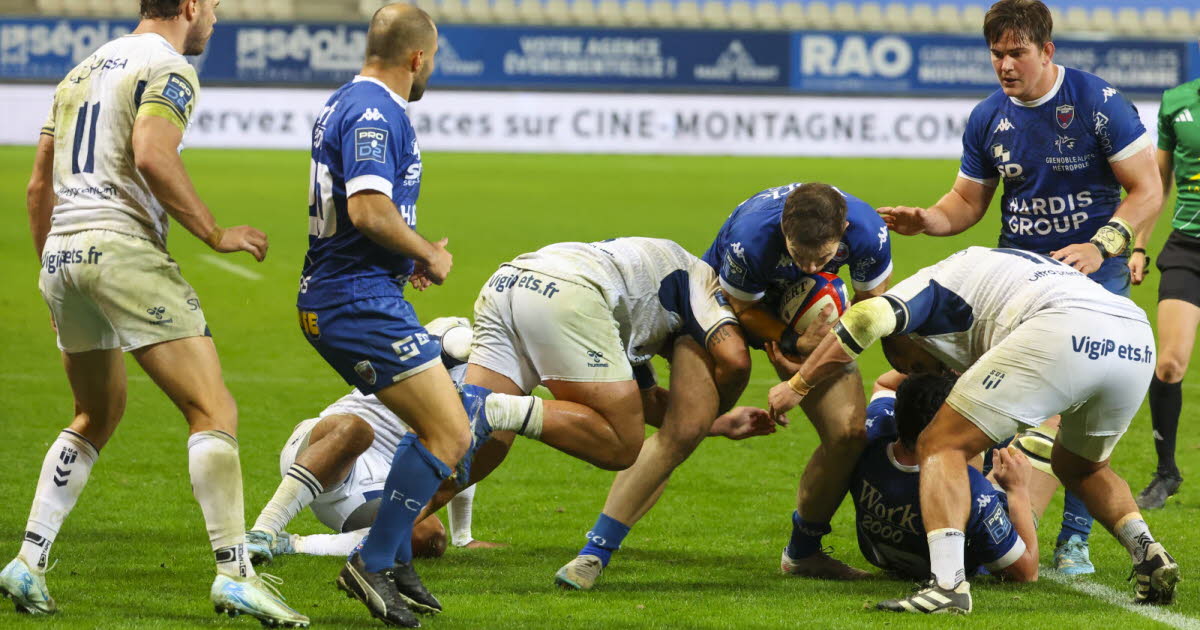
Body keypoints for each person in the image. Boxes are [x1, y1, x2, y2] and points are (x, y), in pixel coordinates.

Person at [0, 0, 308, 626]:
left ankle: (27, 561)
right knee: (212, 408)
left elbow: (39, 188)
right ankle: (235, 574)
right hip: (121, 249)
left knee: (97, 411)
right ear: (189, 5)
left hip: (63, 252)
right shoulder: (167, 67)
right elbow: (151, 152)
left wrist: (51, 268)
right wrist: (215, 232)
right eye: (215, 7)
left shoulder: (79, 72)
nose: (215, 21)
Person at [877, 0, 1162, 575]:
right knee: (984, 403)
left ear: (1046, 51)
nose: (1005, 65)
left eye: (1017, 53)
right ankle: (988, 521)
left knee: (1079, 414)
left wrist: (1103, 245)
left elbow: (1147, 189)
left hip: (1091, 280)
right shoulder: (988, 117)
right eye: (996, 54)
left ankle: (1073, 541)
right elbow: (966, 202)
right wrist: (928, 219)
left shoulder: (1099, 105)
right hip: (1015, 285)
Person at [296, 5, 540, 626]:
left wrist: (408, 264)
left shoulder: (348, 102)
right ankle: (373, 561)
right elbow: (370, 211)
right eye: (433, 58)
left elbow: (367, 222)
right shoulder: (376, 111)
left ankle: (391, 558)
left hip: (362, 292)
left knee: (437, 430)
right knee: (453, 433)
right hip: (352, 301)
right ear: (417, 57)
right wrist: (428, 250)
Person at [767, 246, 1178, 614]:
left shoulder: (928, 286)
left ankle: (947, 585)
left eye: (913, 366)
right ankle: (1146, 552)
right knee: (1084, 469)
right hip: (1133, 334)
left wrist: (798, 384)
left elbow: (866, 315)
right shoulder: (979, 290)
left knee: (939, 443)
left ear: (910, 332)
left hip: (1065, 325)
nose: (920, 374)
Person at [701, 181, 893, 579]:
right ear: (784, 231)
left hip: (809, 319)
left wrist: (807, 368)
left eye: (820, 259)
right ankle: (603, 538)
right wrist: (790, 340)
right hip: (731, 301)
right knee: (690, 419)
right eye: (798, 256)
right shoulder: (750, 238)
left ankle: (802, 553)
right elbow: (743, 306)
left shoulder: (868, 232)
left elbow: (869, 311)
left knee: (847, 436)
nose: (808, 267)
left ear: (841, 235)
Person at [247, 318, 506, 564]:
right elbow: (456, 342)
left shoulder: (493, 386)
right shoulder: (457, 332)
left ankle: (293, 545)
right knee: (357, 430)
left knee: (428, 537)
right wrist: (513, 351)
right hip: (324, 446)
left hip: (375, 483)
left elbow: (462, 457)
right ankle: (262, 531)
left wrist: (463, 536)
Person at [853, 370, 1065, 583]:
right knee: (1051, 423)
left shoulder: (872, 433)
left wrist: (942, 366)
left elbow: (885, 384)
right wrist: (1017, 490)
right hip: (962, 553)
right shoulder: (973, 490)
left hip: (880, 553)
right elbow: (1026, 573)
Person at [1130, 73, 1200, 509]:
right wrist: (1139, 245)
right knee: (1170, 364)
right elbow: (1157, 183)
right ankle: (1166, 472)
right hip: (1187, 247)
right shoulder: (1177, 101)